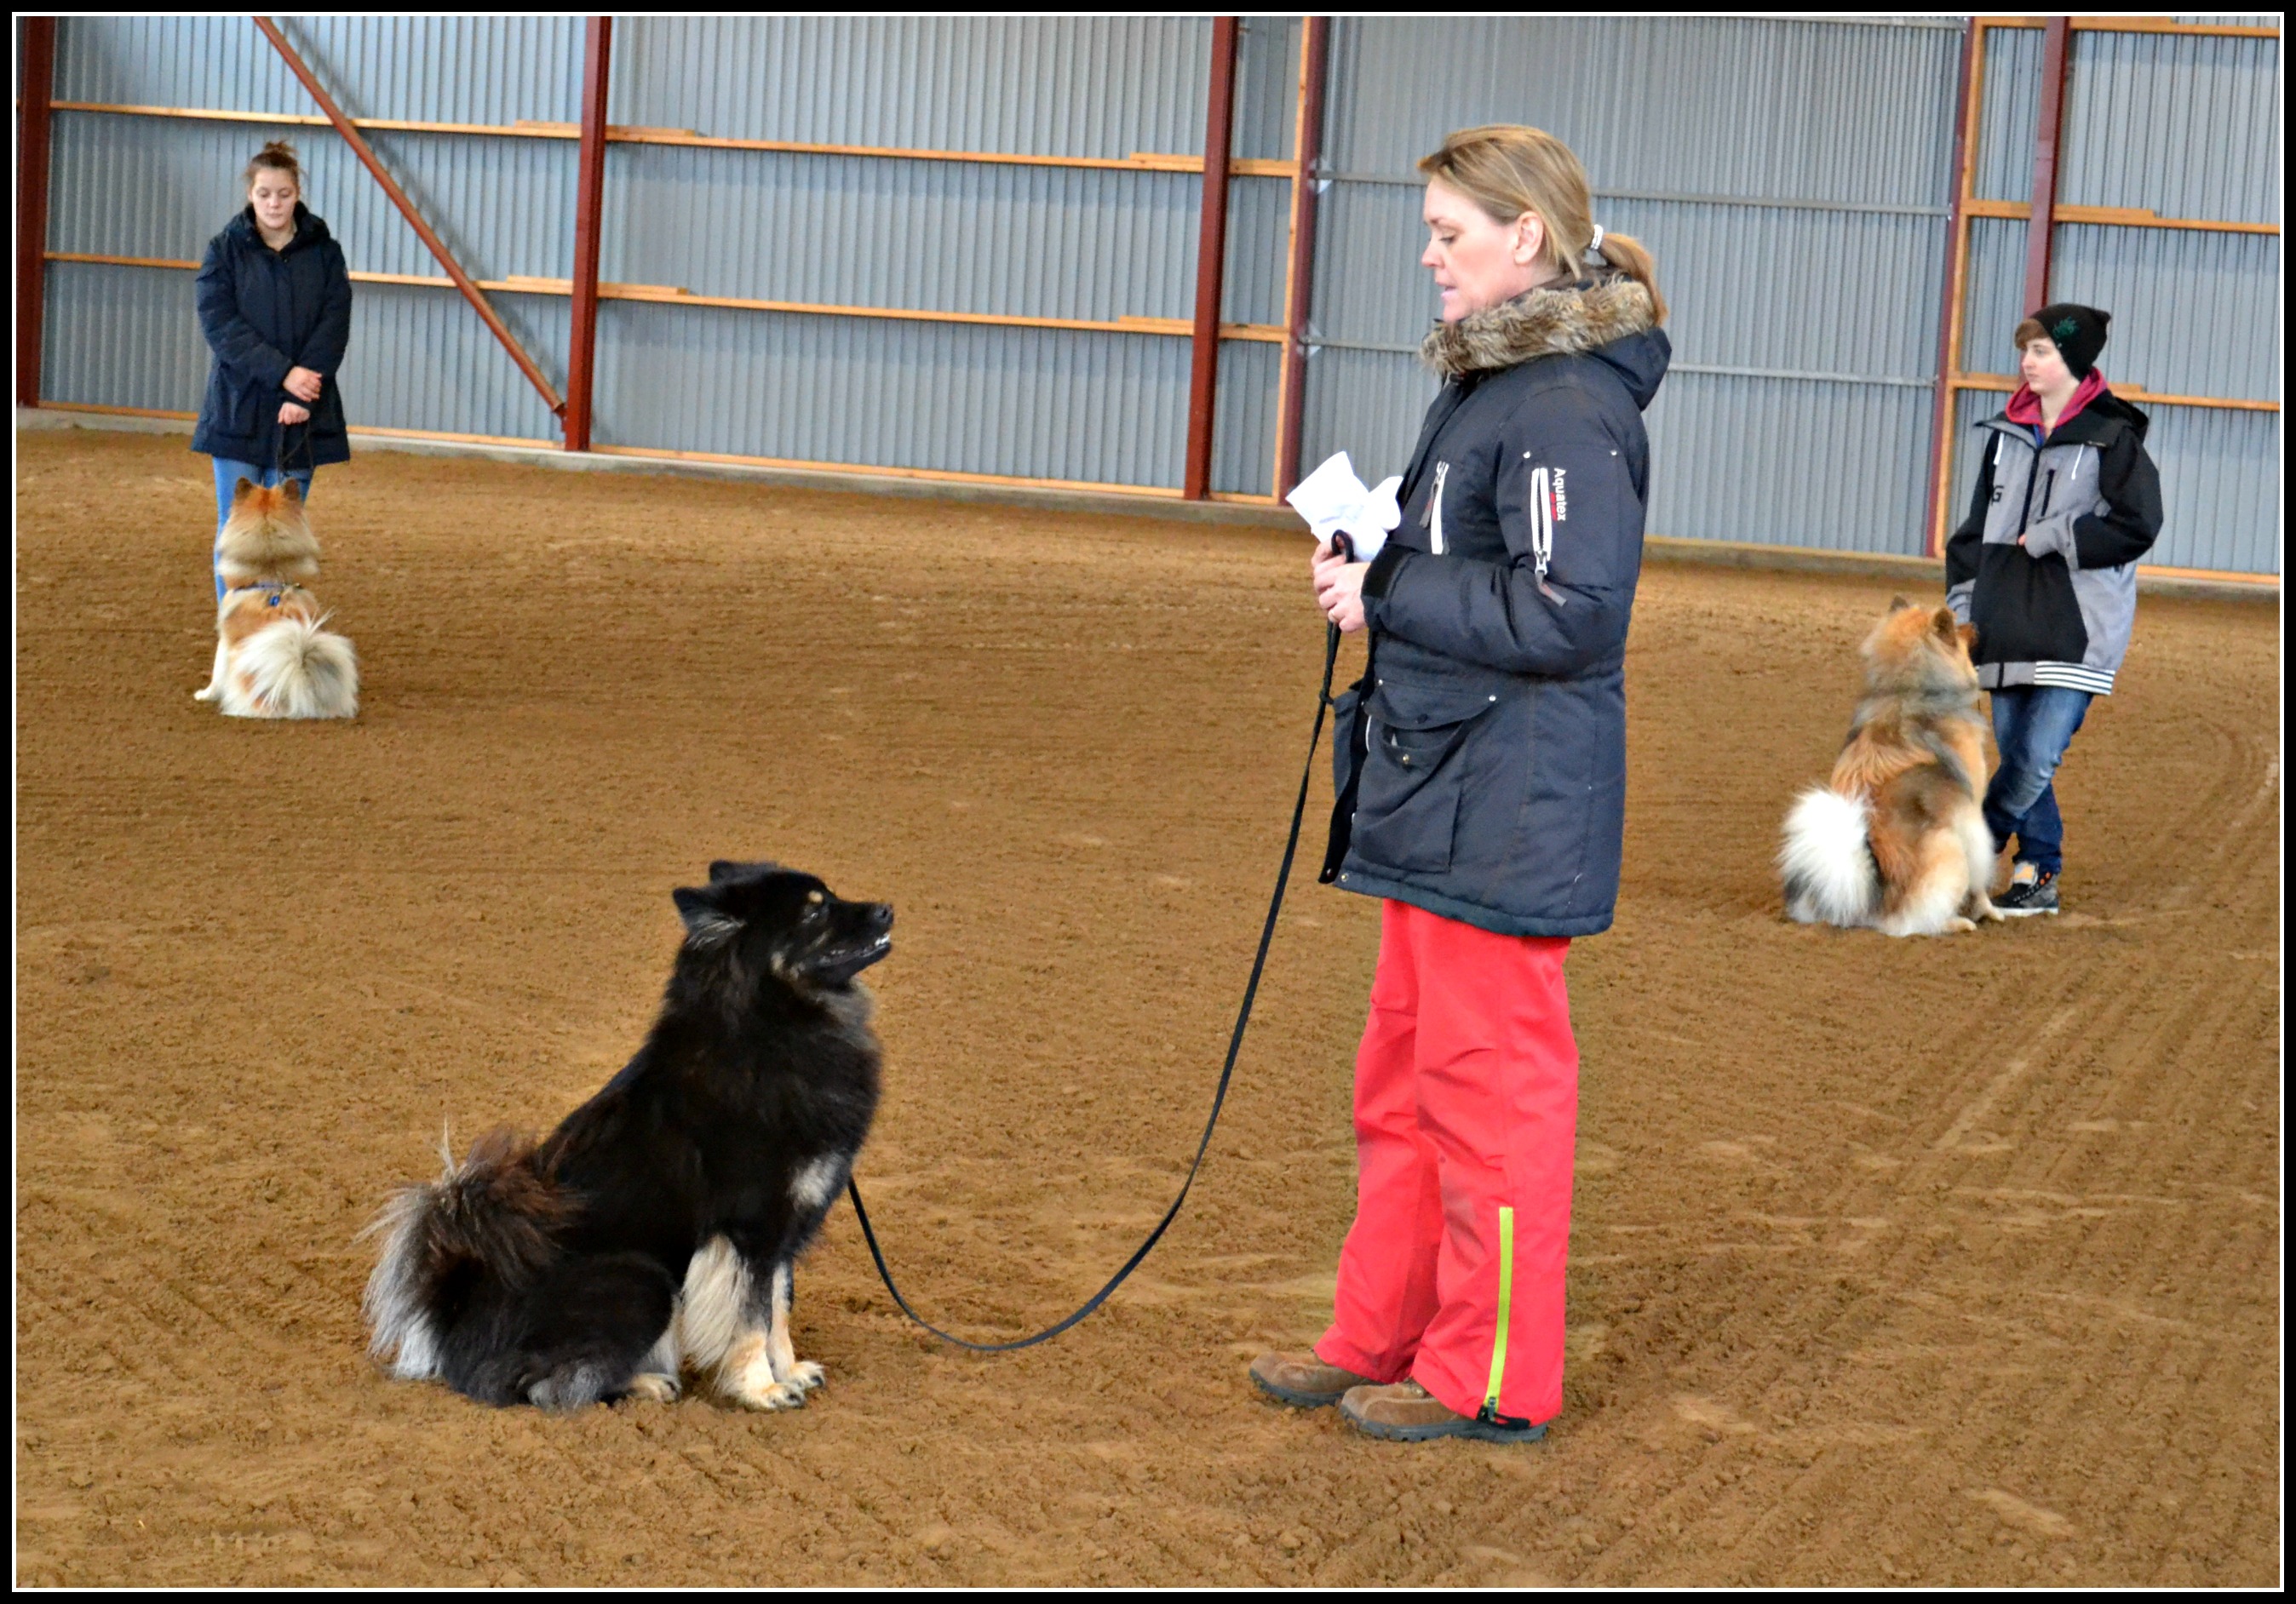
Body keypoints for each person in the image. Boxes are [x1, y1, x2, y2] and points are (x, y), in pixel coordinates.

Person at [1250, 125, 1670, 1443]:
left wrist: (1386, 587)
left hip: (1503, 805)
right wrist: (1382, 554)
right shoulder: (1499, 386)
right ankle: (1380, 1333)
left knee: (1488, 1105)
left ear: (1523, 236)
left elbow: (1573, 612)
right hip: (1444, 788)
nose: (1430, 255)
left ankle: (1486, 1376)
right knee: (1404, 1088)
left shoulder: (1563, 406)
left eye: (1449, 233)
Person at [1944, 304, 2162, 915]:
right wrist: (1962, 608)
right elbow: (1973, 534)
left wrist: (2053, 534)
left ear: (2073, 359)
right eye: (2026, 350)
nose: (2027, 362)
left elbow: (2138, 525)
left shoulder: (2113, 437)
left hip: (2077, 628)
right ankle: (2039, 868)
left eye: (2041, 351)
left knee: (2036, 756)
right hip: (2001, 623)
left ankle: (1969, 855)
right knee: (2019, 756)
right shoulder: (2003, 436)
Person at [191, 140, 353, 610]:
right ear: (250, 195)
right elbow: (221, 326)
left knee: (283, 534)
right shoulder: (223, 251)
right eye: (264, 194)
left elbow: (334, 324)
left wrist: (302, 394)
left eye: (283, 194)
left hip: (304, 411)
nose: (274, 204)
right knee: (236, 529)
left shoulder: (326, 254)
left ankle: (275, 632)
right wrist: (284, 374)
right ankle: (236, 635)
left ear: (297, 193)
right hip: (238, 407)